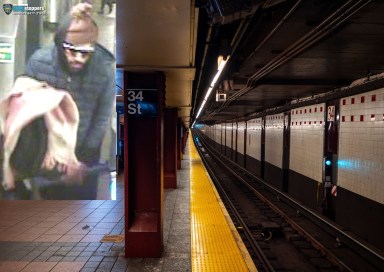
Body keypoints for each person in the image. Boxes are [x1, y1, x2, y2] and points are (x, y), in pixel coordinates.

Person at [21, 2, 115, 199]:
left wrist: (84, 159)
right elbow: (25, 110)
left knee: (80, 210)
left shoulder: (104, 68)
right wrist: (41, 153)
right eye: (72, 51)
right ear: (60, 44)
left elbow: (102, 116)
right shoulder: (39, 63)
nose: (79, 59)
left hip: (84, 152)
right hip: (46, 151)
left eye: (86, 52)